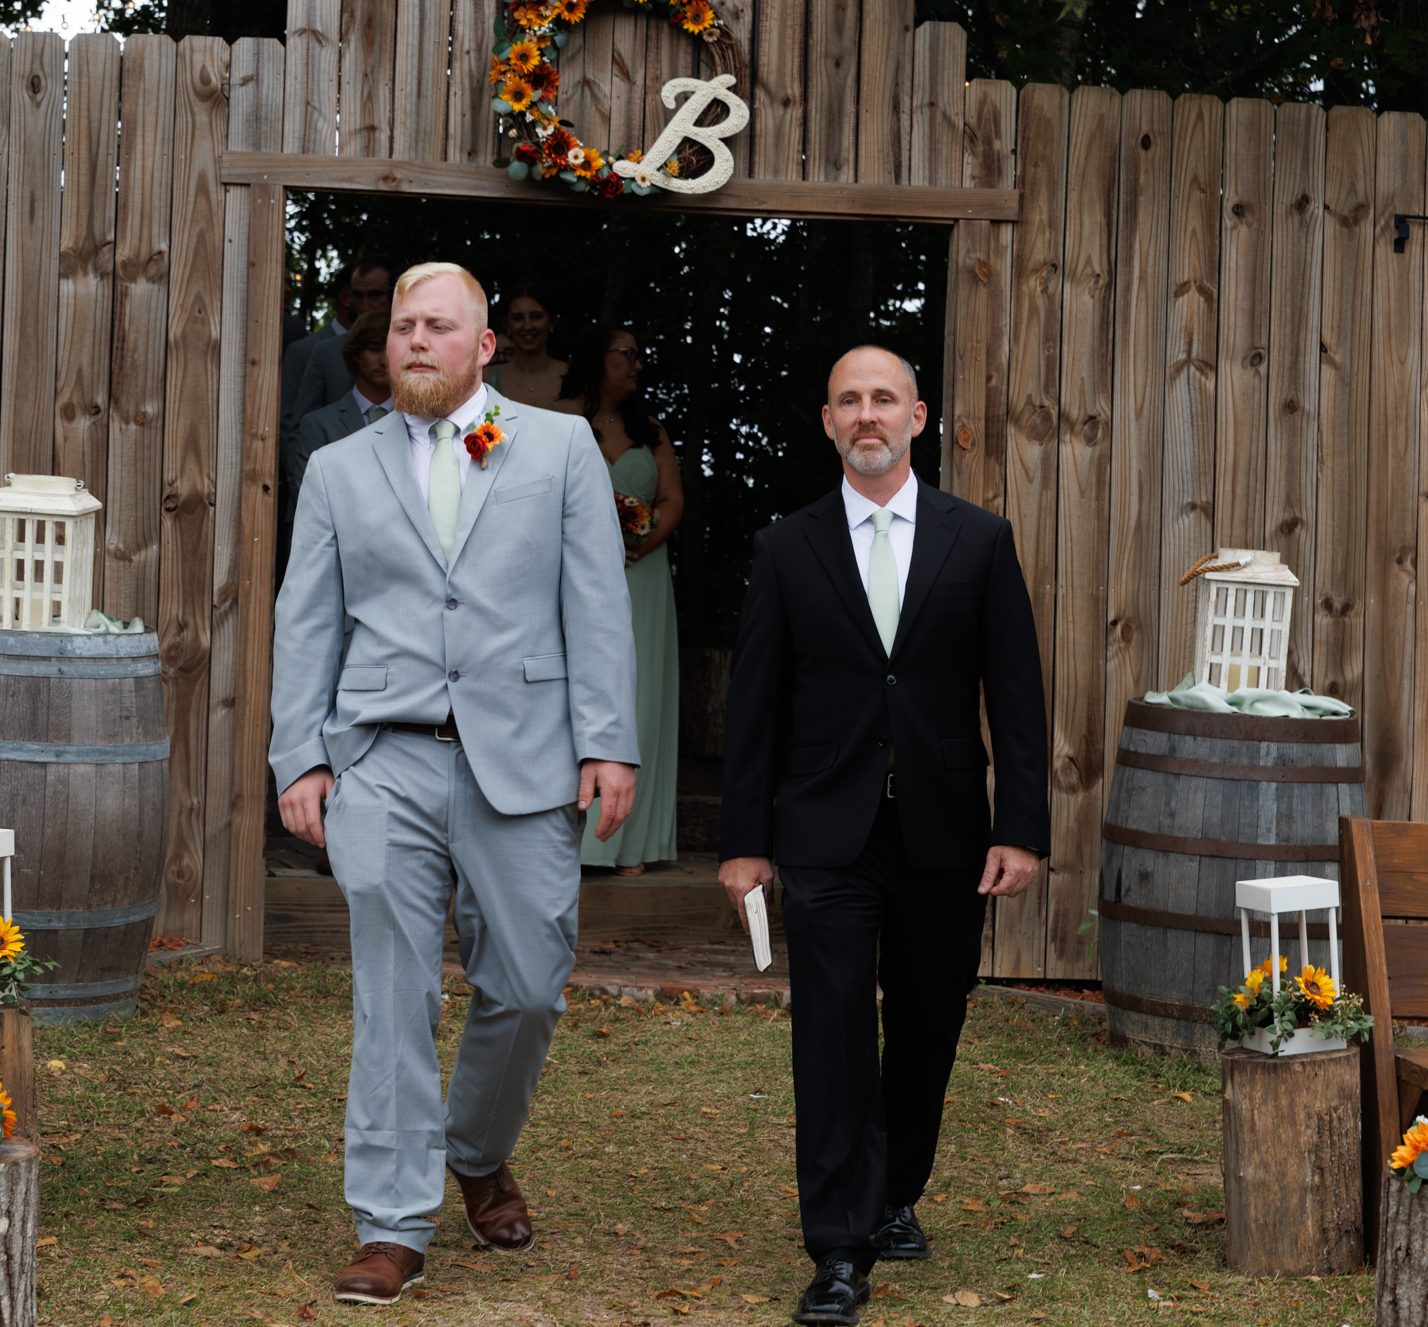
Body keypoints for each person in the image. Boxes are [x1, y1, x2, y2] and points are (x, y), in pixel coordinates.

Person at [271, 262, 640, 1307]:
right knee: (391, 994)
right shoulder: (338, 467)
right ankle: (391, 1223)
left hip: (522, 755)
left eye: (439, 327)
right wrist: (300, 756)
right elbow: (307, 619)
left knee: (527, 983)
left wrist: (607, 742)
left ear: (483, 347)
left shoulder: (558, 447)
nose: (416, 341)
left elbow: (594, 602)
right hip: (381, 756)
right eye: (403, 327)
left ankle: (474, 1149)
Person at [718, 345, 1049, 1327]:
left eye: (884, 399)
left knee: (925, 1023)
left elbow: (1016, 696)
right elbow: (754, 705)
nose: (867, 415)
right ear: (828, 422)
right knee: (829, 1032)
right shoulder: (787, 547)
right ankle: (838, 1245)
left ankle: (895, 1188)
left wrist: (1020, 828)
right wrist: (744, 841)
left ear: (917, 417)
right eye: (849, 401)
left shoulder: (978, 540)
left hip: (943, 832)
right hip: (825, 831)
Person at [558, 326, 682, 876]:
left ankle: (630, 842)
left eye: (639, 355)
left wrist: (641, 543)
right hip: (573, 570)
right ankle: (569, 838)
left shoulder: (650, 429)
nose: (637, 364)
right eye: (627, 354)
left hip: (641, 571)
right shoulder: (553, 419)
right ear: (596, 358)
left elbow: (672, 499)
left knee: (641, 695)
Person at [281, 257, 391, 479]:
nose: (365, 305)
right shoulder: (322, 351)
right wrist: (301, 488)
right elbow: (295, 430)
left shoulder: (414, 346)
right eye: (358, 295)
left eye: (375, 295)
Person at [286, 309, 392, 496]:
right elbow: (310, 497)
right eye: (374, 349)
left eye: (391, 350)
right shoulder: (319, 425)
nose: (384, 361)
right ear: (355, 354)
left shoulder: (417, 419)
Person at [484, 288, 567, 409]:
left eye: (536, 317)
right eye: (518, 318)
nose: (527, 326)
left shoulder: (572, 376)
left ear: (552, 322)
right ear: (507, 324)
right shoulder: (488, 379)